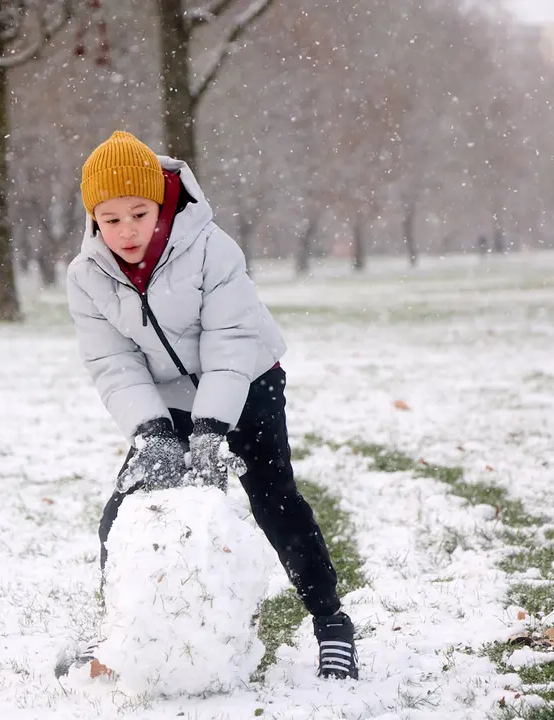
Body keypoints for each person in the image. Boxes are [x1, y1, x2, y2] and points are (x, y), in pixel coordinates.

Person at [63, 131, 358, 680]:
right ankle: (121, 636)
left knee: (274, 501)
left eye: (138, 212)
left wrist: (211, 429)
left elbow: (230, 343)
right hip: (168, 400)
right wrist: (152, 432)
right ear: (93, 220)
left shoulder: (211, 248)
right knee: (123, 512)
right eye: (110, 219)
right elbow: (113, 364)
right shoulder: (87, 277)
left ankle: (331, 623)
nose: (126, 230)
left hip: (247, 382)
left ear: (161, 204)